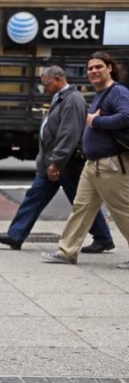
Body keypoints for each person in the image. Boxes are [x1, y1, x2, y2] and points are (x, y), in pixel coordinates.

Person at [0, 66, 113, 252]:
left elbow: (68, 134)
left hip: (65, 163)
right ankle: (16, 235)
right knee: (35, 197)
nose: (44, 88)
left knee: (81, 202)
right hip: (53, 161)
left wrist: (57, 161)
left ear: (58, 79)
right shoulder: (62, 98)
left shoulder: (72, 100)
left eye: (46, 84)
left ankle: (103, 237)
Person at [42, 52, 129, 268]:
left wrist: (96, 121)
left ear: (110, 68)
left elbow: (127, 116)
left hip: (110, 164)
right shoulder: (100, 93)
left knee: (122, 210)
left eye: (99, 66)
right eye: (90, 68)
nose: (94, 71)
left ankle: (67, 251)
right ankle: (66, 252)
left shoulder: (117, 91)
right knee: (81, 208)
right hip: (93, 165)